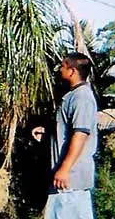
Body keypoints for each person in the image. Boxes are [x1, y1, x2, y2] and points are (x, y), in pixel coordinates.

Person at [32, 53, 98, 219]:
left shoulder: (81, 97)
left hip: (71, 180)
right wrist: (48, 134)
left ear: (72, 71)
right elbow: (69, 131)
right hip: (65, 179)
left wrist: (65, 169)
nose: (59, 69)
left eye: (63, 66)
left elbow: (80, 134)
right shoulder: (72, 95)